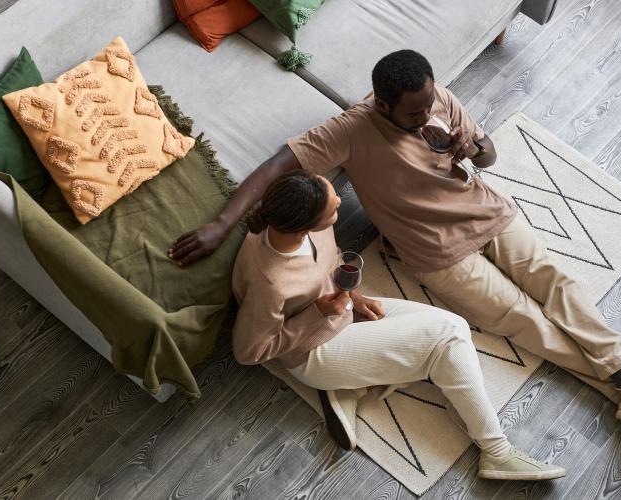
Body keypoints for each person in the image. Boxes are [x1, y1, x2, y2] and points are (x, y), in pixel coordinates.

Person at [169, 50, 621, 436]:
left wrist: (476, 146)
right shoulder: (351, 129)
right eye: (413, 113)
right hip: (437, 251)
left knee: (557, 284)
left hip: (486, 211)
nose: (426, 117)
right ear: (383, 103)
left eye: (430, 104)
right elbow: (278, 165)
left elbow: (488, 160)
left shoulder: (438, 101)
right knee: (520, 319)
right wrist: (221, 224)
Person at [230, 169, 566, 480]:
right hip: (313, 352)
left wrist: (356, 298)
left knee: (455, 327)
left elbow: (331, 262)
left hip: (340, 313)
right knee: (445, 340)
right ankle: (497, 452)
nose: (339, 208)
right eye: (333, 210)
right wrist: (317, 313)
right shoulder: (270, 283)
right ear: (307, 224)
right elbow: (250, 351)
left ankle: (351, 385)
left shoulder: (302, 228)